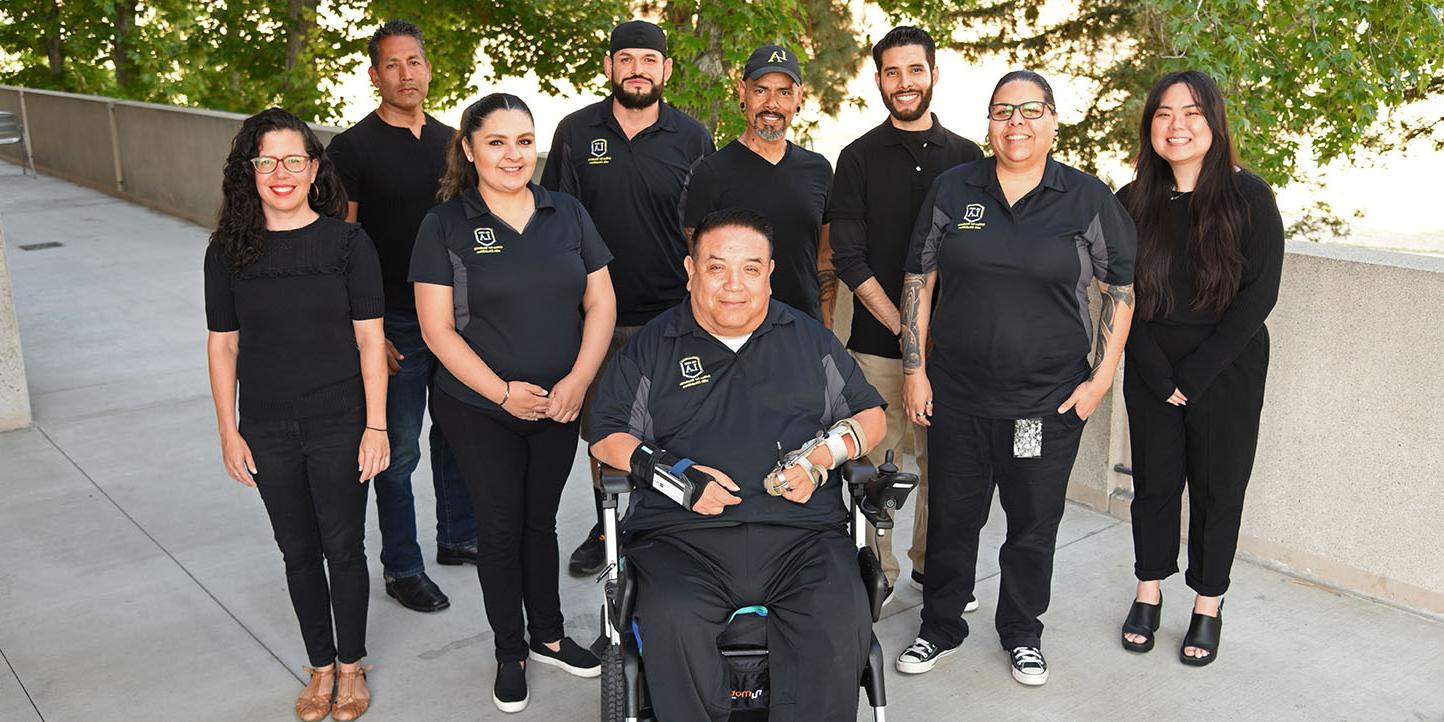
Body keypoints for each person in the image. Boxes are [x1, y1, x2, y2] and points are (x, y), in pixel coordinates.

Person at [589, 208, 888, 722]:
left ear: (770, 273)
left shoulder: (808, 340)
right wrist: (675, 478)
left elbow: (871, 416)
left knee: (838, 615)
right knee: (671, 618)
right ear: (690, 271)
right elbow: (606, 437)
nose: (734, 285)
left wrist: (820, 460)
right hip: (683, 540)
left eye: (751, 268)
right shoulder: (653, 346)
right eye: (716, 267)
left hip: (803, 538)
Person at [894, 71, 1137, 686]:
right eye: (1004, 111)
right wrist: (915, 369)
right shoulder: (954, 189)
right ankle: (940, 627)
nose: (1017, 122)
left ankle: (1022, 632)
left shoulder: (1087, 199)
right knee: (951, 517)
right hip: (957, 398)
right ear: (989, 123)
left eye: (1032, 110)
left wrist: (1100, 382)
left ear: (1054, 122)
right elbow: (919, 280)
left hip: (1046, 405)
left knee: (1033, 525)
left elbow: (1121, 292)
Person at [409, 93, 615, 713]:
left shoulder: (567, 212)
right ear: (469, 149)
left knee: (539, 523)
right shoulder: (444, 224)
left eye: (524, 141)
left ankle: (549, 635)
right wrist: (502, 392)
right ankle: (510, 652)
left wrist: (578, 381)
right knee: (498, 529)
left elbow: (601, 302)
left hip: (558, 403)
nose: (513, 154)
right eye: (497, 141)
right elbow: (436, 330)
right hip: (479, 408)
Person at [204, 108, 387, 721]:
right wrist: (228, 430)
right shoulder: (227, 251)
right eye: (267, 161)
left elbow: (370, 341)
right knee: (297, 551)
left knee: (345, 547)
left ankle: (352, 665)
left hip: (340, 420)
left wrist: (377, 426)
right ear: (249, 171)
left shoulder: (348, 244)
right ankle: (320, 666)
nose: (280, 173)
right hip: (267, 426)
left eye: (293, 160)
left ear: (314, 169)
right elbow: (223, 344)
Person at [1116, 70, 1284, 666]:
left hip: (1227, 369)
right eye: (1163, 114)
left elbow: (1259, 294)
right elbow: (1120, 294)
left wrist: (1195, 375)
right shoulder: (1130, 200)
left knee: (1217, 491)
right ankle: (1148, 591)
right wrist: (1160, 373)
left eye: (1191, 113)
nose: (1177, 125)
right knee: (1155, 486)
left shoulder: (1250, 197)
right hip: (1149, 364)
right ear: (1150, 127)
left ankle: (1208, 605)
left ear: (1213, 121)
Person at [541, 19, 715, 577]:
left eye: (648, 59)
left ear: (665, 69)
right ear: (610, 66)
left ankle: (666, 527)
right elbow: (554, 224)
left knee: (674, 430)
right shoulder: (575, 131)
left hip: (671, 314)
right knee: (604, 435)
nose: (636, 69)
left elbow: (704, 230)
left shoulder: (693, 138)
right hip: (595, 317)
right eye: (626, 59)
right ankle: (606, 526)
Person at [828, 25, 983, 601]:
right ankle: (879, 571)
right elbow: (848, 256)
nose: (904, 83)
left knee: (948, 471)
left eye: (914, 70)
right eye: (892, 72)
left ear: (934, 74)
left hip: (955, 350)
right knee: (877, 469)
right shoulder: (858, 157)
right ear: (879, 81)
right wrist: (906, 328)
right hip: (876, 344)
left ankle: (932, 566)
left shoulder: (969, 158)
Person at [325, 19, 472, 614]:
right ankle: (402, 566)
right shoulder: (351, 149)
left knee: (459, 436)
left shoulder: (453, 141)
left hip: (458, 319)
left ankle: (459, 537)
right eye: (392, 64)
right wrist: (370, 331)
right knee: (399, 448)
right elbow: (342, 244)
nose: (405, 73)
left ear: (429, 68)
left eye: (414, 61)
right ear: (374, 74)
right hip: (394, 322)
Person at [681, 44, 835, 323]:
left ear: (799, 97)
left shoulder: (818, 170)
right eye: (761, 90)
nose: (772, 104)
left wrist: (825, 327)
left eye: (784, 92)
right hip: (733, 333)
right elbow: (699, 266)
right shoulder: (711, 172)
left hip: (803, 330)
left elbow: (823, 258)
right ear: (742, 92)